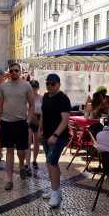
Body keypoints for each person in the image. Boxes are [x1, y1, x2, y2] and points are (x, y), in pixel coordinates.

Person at [0, 62, 34, 191]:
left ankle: (22, 165)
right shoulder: (3, 87)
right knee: (9, 150)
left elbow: (32, 105)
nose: (14, 73)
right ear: (9, 72)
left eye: (16, 70)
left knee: (21, 151)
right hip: (6, 122)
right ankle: (9, 179)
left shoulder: (27, 86)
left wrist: (28, 121)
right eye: (11, 71)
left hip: (21, 122)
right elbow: (0, 105)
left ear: (20, 71)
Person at [39, 74, 71, 208]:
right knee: (50, 163)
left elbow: (65, 120)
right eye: (47, 83)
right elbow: (43, 114)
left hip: (59, 137)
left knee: (52, 163)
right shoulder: (45, 97)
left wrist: (55, 135)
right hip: (46, 135)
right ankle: (55, 189)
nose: (49, 86)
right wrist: (41, 129)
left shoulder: (63, 99)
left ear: (58, 84)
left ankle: (55, 194)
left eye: (52, 84)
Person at [27, 80, 42, 175]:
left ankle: (34, 160)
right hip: (29, 119)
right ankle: (27, 163)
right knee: (28, 141)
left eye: (35, 87)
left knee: (37, 142)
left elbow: (44, 111)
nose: (34, 89)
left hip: (38, 119)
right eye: (32, 87)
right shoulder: (27, 97)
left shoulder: (41, 98)